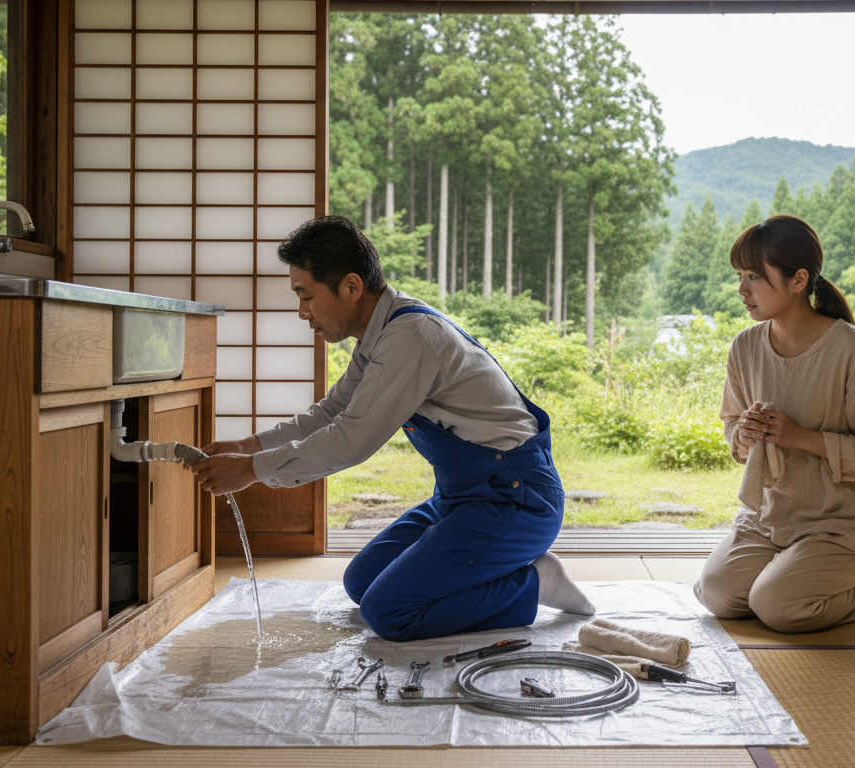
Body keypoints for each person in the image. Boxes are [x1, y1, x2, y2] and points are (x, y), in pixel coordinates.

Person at [190, 216, 594, 642]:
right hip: (461, 498)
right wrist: (247, 445)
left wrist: (252, 468)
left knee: (390, 612)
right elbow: (332, 411)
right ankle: (497, 566)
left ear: (351, 286)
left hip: (515, 499)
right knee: (361, 583)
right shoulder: (380, 334)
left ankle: (535, 583)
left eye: (305, 296)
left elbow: (351, 439)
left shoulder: (411, 335)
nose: (302, 312)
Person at [693, 215, 855, 634]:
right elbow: (733, 431)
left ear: (798, 280)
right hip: (774, 517)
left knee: (776, 607)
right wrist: (746, 433)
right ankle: (799, 573)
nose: (742, 290)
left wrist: (802, 438)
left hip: (844, 523)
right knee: (716, 594)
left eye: (753, 276)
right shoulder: (745, 347)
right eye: (740, 275)